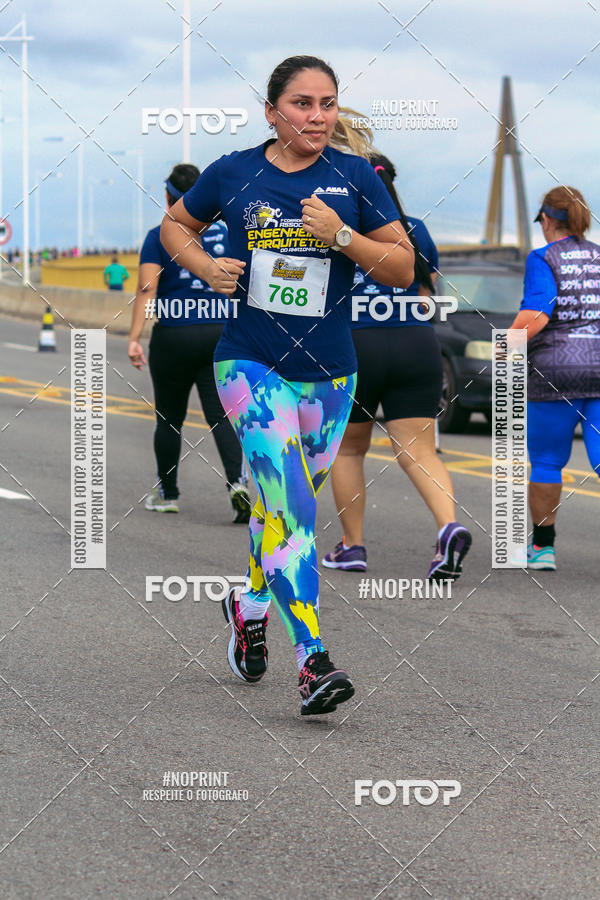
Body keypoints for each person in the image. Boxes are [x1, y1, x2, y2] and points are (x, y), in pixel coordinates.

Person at [160, 55, 414, 715]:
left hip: (331, 374)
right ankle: (313, 663)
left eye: (328, 103)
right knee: (295, 511)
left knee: (281, 515)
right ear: (271, 110)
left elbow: (403, 269)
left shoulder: (354, 177)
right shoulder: (235, 171)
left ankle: (248, 606)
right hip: (248, 363)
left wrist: (345, 235)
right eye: (302, 104)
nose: (318, 116)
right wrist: (202, 263)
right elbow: (175, 227)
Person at [322, 153, 471, 580]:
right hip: (416, 341)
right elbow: (427, 293)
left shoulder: (337, 229)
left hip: (355, 343)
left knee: (349, 449)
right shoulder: (415, 230)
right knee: (419, 451)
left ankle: (352, 547)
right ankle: (448, 527)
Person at [128, 163, 251, 522]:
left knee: (169, 418)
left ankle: (167, 493)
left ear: (168, 198)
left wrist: (135, 336)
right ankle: (237, 484)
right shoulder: (228, 235)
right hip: (219, 332)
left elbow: (148, 289)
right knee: (222, 416)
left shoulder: (159, 236)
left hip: (173, 336)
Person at [509, 186, 600, 570]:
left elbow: (538, 313)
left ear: (547, 220)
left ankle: (543, 547)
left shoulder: (543, 258)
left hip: (555, 373)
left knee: (547, 461)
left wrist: (505, 346)